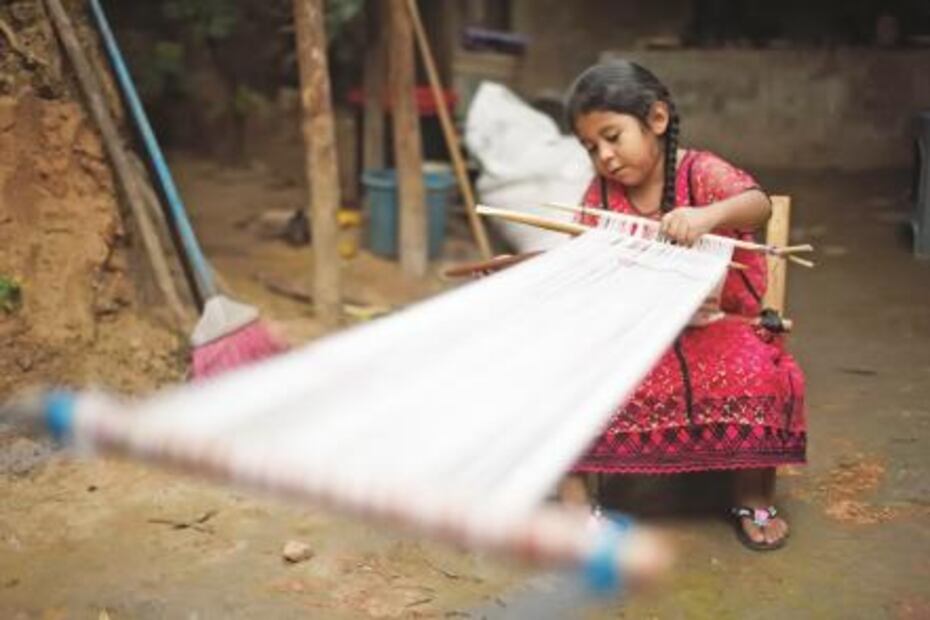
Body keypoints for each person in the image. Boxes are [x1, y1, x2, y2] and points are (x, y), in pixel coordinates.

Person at [559, 60, 806, 551]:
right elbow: (589, 261)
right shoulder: (601, 196)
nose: (604, 157)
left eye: (612, 136)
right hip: (639, 326)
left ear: (656, 119)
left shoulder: (702, 173)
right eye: (592, 147)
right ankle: (576, 506)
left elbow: (758, 206)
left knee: (757, 367)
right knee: (570, 367)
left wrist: (708, 216)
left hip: (718, 322)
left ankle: (751, 496)